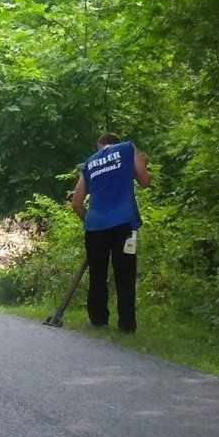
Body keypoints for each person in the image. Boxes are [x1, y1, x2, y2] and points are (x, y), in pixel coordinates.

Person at [71, 132, 150, 332]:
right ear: (116, 143)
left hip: (95, 226)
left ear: (100, 146)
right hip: (124, 224)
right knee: (125, 274)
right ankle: (126, 325)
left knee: (97, 274)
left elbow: (76, 203)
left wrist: (90, 222)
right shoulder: (127, 148)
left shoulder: (89, 163)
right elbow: (145, 181)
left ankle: (97, 320)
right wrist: (142, 165)